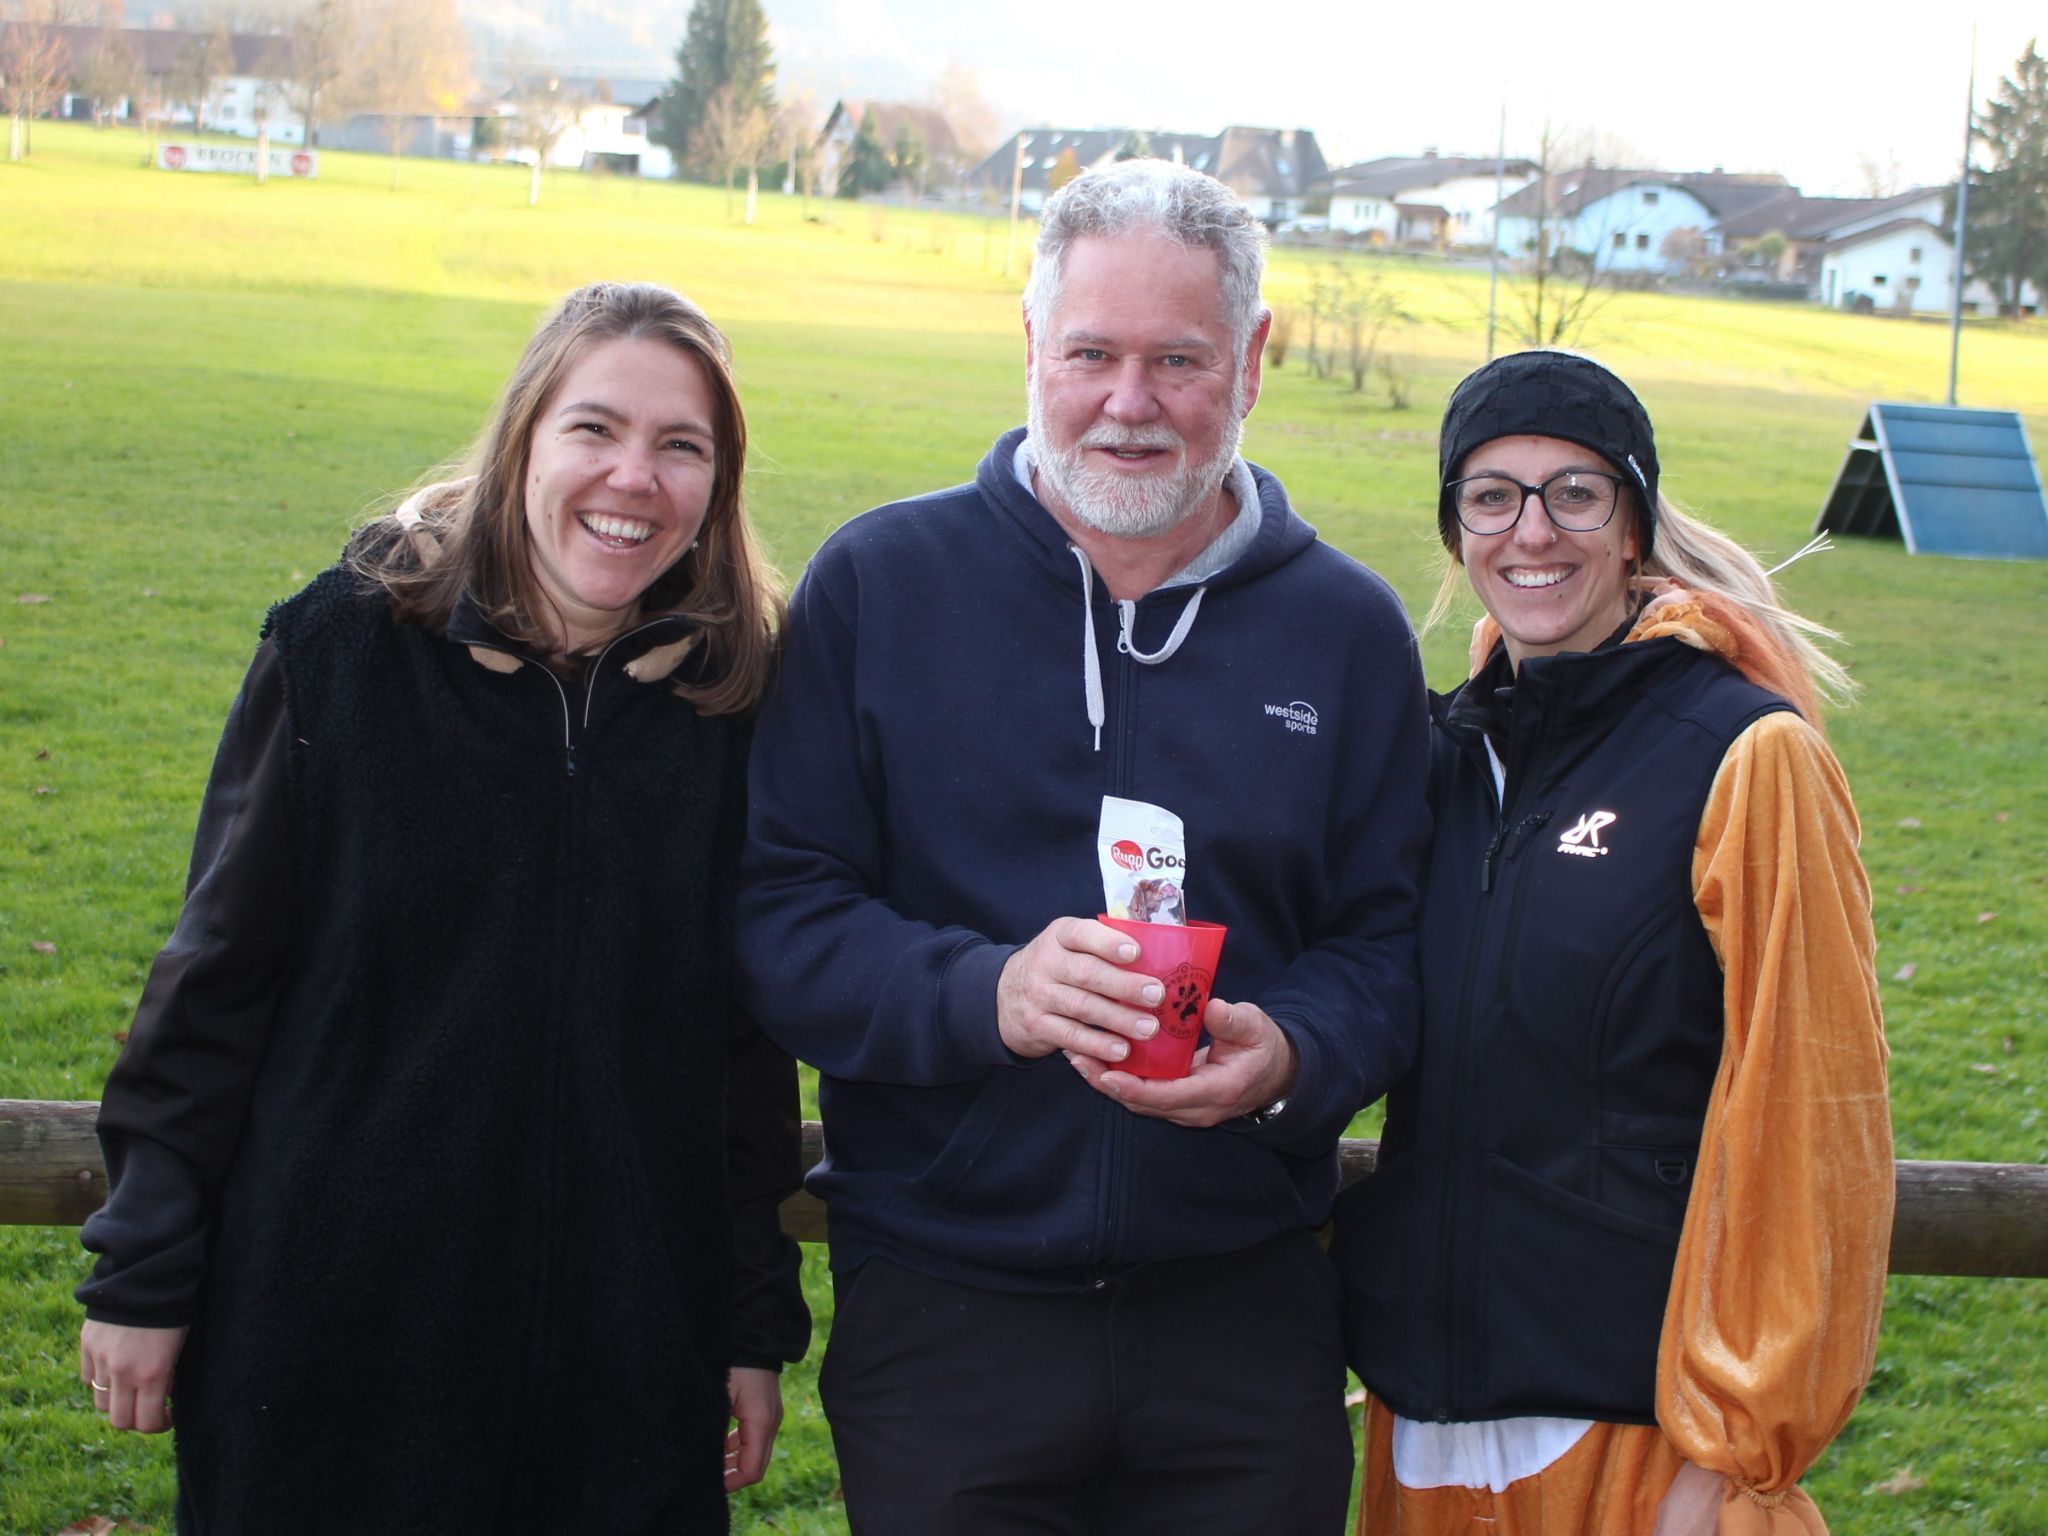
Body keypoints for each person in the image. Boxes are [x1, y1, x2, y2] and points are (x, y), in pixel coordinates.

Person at [735, 158, 1430, 1534]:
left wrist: (1292, 1054)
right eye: (1092, 354)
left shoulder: (1347, 632)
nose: (1130, 403)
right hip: (947, 1311)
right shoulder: (882, 587)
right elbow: (783, 915)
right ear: (1030, 347)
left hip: (1244, 1316)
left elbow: (1394, 946)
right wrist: (986, 992)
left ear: (1253, 360)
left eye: (1179, 359)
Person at [76, 282, 809, 1534]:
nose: (632, 478)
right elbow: (215, 976)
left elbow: (735, 1053)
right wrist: (143, 1267)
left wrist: (745, 1320)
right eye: (594, 428)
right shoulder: (341, 656)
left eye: (679, 445)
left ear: (716, 483)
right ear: (523, 435)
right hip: (332, 1340)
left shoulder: (733, 710)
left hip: (622, 1361)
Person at [1334, 349, 1893, 1535]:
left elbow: (1811, 1116)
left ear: (1633, 523)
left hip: (1639, 1445)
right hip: (1423, 1427)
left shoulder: (1745, 755)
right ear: (1456, 534)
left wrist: (1734, 1459)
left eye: (1573, 492)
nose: (1530, 530)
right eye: (1491, 496)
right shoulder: (1437, 761)